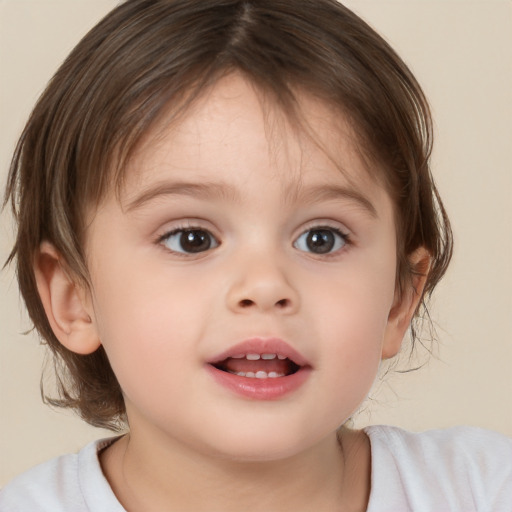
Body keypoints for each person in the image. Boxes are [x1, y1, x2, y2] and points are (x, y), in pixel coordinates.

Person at [1, 0, 510, 510]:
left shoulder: (482, 490)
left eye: (322, 238)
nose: (265, 285)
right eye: (192, 238)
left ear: (400, 298)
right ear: (74, 299)